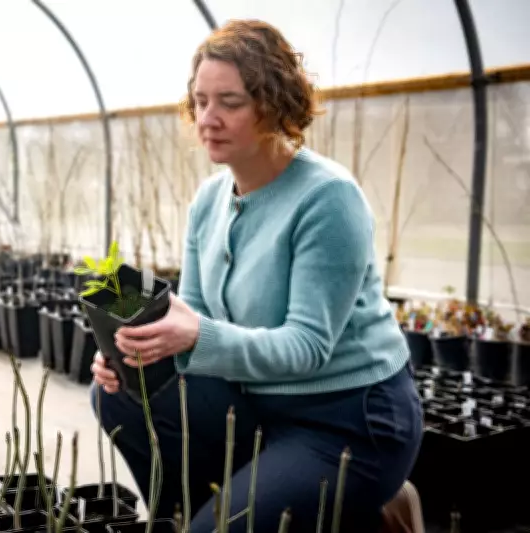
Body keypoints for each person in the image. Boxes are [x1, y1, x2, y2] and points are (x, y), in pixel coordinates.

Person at [89, 18, 424, 533]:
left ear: (273, 104)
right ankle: (197, 513)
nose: (208, 118)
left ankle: (362, 497)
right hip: (253, 407)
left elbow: (307, 346)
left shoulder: (327, 198)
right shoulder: (209, 201)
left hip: (345, 420)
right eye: (201, 101)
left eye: (230, 102)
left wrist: (195, 334)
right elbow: (196, 318)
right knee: (118, 396)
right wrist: (133, 355)